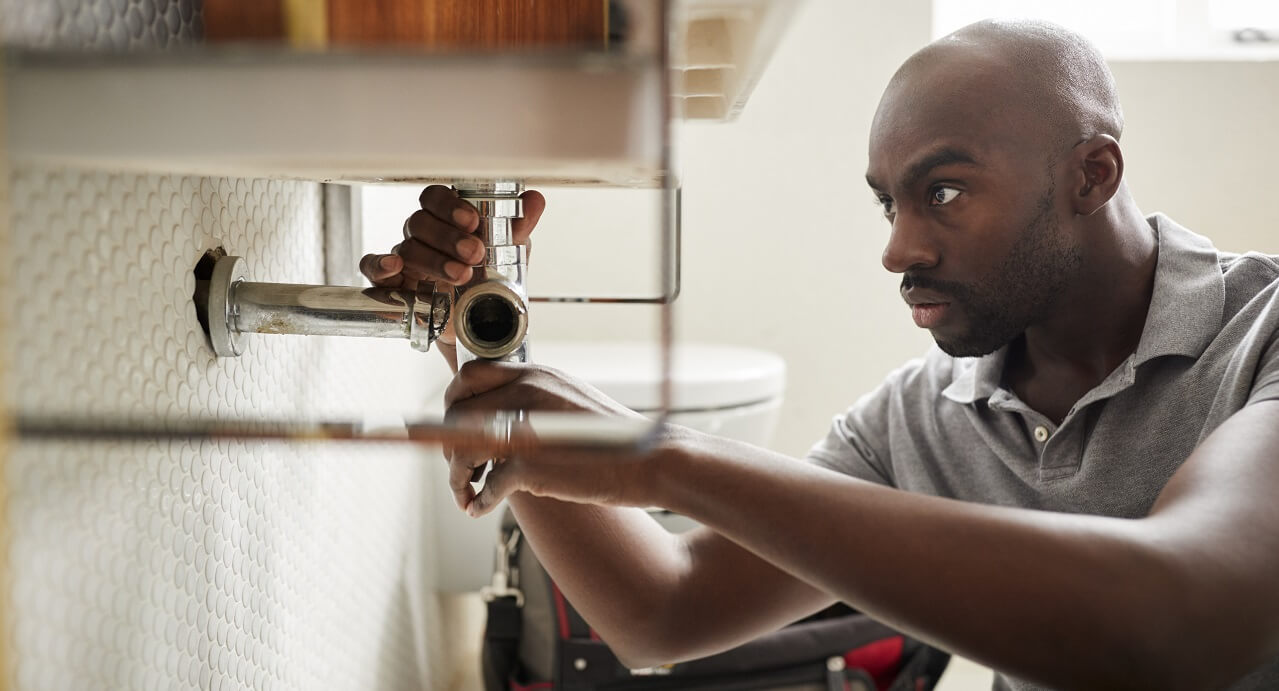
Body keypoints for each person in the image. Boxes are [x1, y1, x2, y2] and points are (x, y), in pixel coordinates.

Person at [360, 19, 1279, 690]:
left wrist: (661, 457)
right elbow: (661, 610)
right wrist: (482, 338)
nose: (898, 247)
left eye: (945, 190)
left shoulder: (1265, 335)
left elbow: (1186, 622)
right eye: (890, 202)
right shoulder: (923, 419)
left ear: (1091, 174)